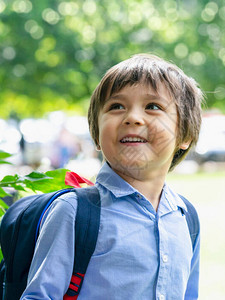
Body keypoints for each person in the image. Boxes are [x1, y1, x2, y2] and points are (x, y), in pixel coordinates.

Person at [21, 54, 203, 299]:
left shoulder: (185, 216)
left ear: (185, 135)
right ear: (96, 134)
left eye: (153, 106)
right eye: (116, 106)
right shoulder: (74, 212)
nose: (132, 117)